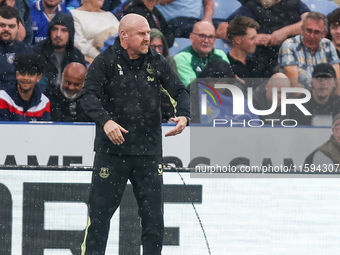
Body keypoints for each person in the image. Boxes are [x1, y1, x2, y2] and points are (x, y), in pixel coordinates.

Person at [79, 13, 190, 255]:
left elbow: (180, 90)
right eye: (142, 34)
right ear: (124, 35)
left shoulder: (157, 61)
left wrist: (184, 115)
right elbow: (87, 97)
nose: (147, 38)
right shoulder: (105, 61)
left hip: (148, 153)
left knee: (154, 222)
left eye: (149, 33)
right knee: (98, 218)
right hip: (112, 152)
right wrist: (105, 121)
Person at [216, 0, 310, 69]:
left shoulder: (295, 4)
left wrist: (286, 32)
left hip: (302, 55)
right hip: (271, 61)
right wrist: (253, 38)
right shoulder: (253, 7)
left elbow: (311, 23)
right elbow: (222, 29)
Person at [278, 11, 340, 91]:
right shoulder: (289, 45)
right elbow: (294, 85)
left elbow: (338, 79)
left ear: (324, 34)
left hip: (323, 97)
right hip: (298, 98)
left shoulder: (328, 44)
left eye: (317, 32)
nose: (311, 36)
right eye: (308, 31)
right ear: (302, 30)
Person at [33, 12, 86, 89]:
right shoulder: (36, 52)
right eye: (54, 29)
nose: (58, 34)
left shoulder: (77, 56)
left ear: (70, 33)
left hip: (68, 96)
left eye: (64, 30)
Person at [174, 20, 230, 87]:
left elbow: (229, 82)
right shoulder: (182, 58)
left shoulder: (220, 54)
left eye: (211, 37)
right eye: (202, 36)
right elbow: (194, 89)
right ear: (192, 37)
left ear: (215, 40)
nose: (206, 41)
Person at [0, 52, 50, 121]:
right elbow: (3, 129)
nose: (25, 78)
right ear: (17, 74)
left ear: (38, 78)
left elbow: (44, 130)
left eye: (30, 74)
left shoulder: (44, 102)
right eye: (22, 73)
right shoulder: (3, 98)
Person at [226, 16, 273, 89]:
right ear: (238, 40)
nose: (257, 42)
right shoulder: (226, 66)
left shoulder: (260, 63)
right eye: (252, 38)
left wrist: (245, 85)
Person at [0, 6, 32, 90]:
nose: (6, 29)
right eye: (2, 25)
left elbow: (36, 77)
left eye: (11, 26)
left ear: (18, 28)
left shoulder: (25, 49)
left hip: (21, 98)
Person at [150, 28, 176, 122]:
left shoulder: (168, 61)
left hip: (166, 103)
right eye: (153, 47)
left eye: (160, 47)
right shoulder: (139, 62)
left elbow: (175, 86)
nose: (157, 51)